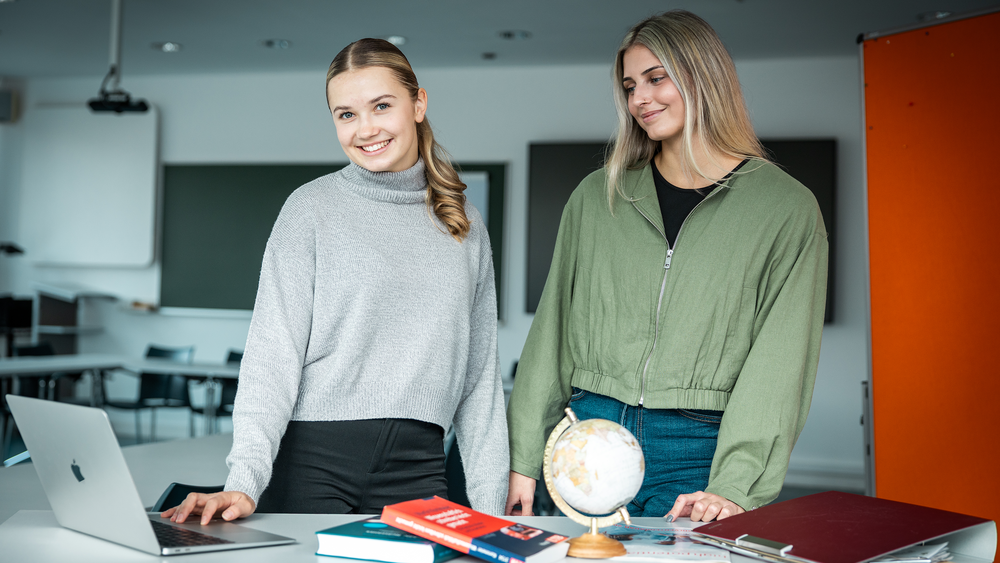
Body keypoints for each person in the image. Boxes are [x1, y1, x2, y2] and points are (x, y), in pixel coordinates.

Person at [163, 38, 509, 524]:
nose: (365, 129)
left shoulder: (464, 223)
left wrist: (491, 512)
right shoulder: (310, 209)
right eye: (345, 114)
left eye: (381, 106)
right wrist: (244, 480)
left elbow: (479, 381)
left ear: (418, 103)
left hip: (419, 467)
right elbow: (271, 355)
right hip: (311, 464)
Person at [505, 10, 827, 522]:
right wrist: (523, 453)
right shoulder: (598, 196)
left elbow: (781, 363)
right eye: (630, 86)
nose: (639, 99)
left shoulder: (786, 208)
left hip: (699, 448)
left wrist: (736, 484)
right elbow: (553, 331)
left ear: (704, 77)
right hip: (592, 440)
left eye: (657, 79)